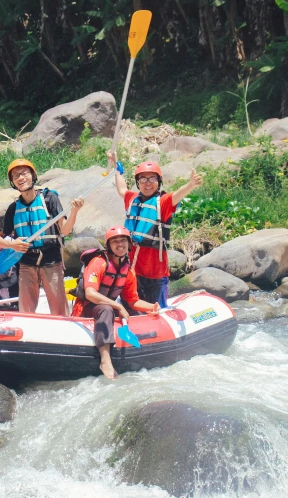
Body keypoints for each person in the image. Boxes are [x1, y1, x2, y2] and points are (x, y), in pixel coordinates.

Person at [0, 159, 84, 316]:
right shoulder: (13, 208)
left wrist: (74, 211)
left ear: (33, 176)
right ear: (12, 182)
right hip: (27, 263)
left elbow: (65, 230)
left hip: (51, 261)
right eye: (16, 176)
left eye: (24, 173)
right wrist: (12, 244)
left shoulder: (49, 199)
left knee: (59, 311)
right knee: (26, 312)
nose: (20, 178)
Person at [108, 157, 202, 307]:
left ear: (159, 181)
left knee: (157, 309)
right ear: (138, 183)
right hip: (132, 268)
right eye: (143, 179)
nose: (148, 183)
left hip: (155, 271)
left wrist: (191, 185)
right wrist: (117, 166)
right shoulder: (132, 199)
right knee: (131, 305)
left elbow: (177, 194)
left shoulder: (163, 203)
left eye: (152, 178)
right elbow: (121, 189)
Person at [71, 226, 160, 380]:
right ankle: (105, 360)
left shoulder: (128, 270)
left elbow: (132, 300)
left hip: (107, 307)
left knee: (134, 313)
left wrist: (152, 307)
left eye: (123, 241)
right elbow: (90, 294)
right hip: (87, 308)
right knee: (107, 309)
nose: (120, 244)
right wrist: (118, 305)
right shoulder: (99, 262)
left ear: (129, 244)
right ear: (109, 246)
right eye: (115, 241)